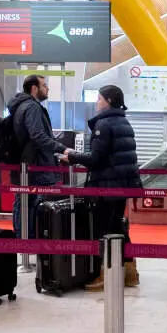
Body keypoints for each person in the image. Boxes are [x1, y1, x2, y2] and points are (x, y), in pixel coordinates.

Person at [60, 85, 141, 290]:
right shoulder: (124, 122)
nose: (97, 103)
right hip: (122, 185)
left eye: (99, 98)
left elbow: (96, 159)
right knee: (118, 227)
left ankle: (106, 274)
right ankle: (130, 273)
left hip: (106, 186)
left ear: (110, 101)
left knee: (103, 230)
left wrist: (72, 156)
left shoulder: (103, 125)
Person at [7, 74, 67, 237]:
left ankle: (22, 238)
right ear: (34, 88)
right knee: (30, 204)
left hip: (25, 164)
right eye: (44, 85)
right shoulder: (32, 107)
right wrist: (62, 149)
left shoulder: (20, 107)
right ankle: (27, 241)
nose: (47, 88)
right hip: (35, 166)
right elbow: (38, 135)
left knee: (23, 202)